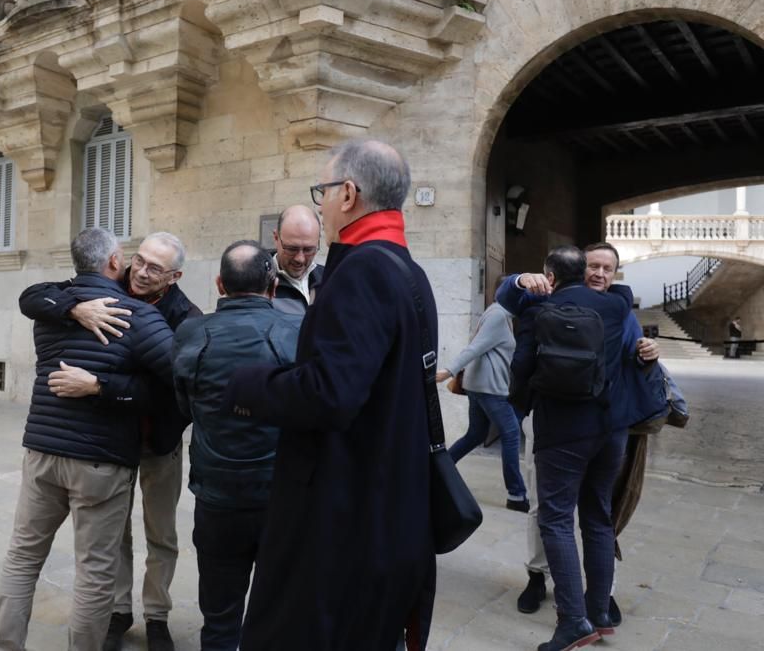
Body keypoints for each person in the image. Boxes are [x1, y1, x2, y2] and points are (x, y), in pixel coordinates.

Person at [224, 138, 439, 650]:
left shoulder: (362, 271)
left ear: (348, 193)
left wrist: (251, 384)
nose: (320, 203)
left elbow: (330, 394)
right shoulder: (410, 272)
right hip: (386, 510)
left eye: (322, 191)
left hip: (341, 520)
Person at [0, 228, 175, 651]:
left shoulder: (51, 311)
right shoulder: (138, 316)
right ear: (114, 261)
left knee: (21, 560)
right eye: (127, 258)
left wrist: (98, 380)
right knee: (95, 572)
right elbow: (179, 380)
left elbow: (36, 296)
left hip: (41, 453)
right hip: (100, 462)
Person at [497, 243, 659, 624]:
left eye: (608, 268)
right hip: (564, 423)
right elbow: (507, 294)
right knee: (546, 507)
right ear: (579, 268)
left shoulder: (616, 309)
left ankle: (596, 599)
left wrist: (647, 350)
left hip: (590, 424)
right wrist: (522, 279)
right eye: (594, 266)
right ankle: (540, 577)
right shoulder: (550, 297)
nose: (600, 273)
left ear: (615, 273)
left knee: (590, 511)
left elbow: (628, 354)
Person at [172, 241, 300, 651]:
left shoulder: (191, 333)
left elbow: (184, 404)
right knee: (279, 613)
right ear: (274, 286)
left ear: (219, 284)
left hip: (217, 496)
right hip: (279, 497)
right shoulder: (296, 333)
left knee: (220, 617)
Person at [436, 298, 528, 512]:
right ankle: (516, 494)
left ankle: (439, 472)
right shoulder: (498, 315)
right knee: (511, 433)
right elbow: (475, 347)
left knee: (476, 435)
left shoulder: (497, 312)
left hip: (478, 385)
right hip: (489, 389)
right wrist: (449, 370)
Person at [271, 204, 324, 315]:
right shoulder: (258, 283)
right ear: (276, 238)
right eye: (292, 249)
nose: (300, 259)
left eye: (308, 250)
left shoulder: (329, 277)